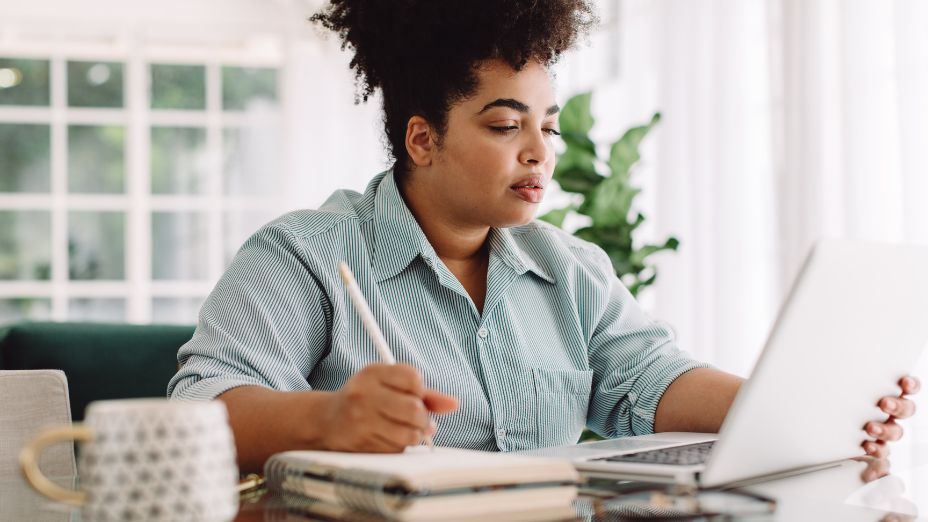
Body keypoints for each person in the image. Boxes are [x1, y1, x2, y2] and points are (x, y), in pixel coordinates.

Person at [167, 0, 919, 473]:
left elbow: (650, 380)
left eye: (548, 126)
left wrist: (790, 410)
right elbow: (199, 409)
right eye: (505, 125)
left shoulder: (570, 268)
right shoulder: (305, 254)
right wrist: (329, 417)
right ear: (422, 139)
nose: (540, 152)